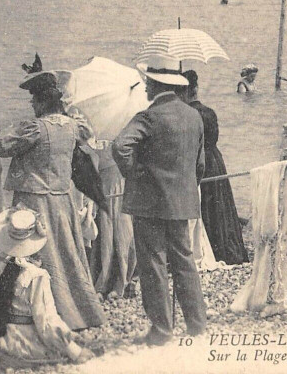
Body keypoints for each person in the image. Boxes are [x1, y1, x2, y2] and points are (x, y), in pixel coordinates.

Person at [0, 56, 105, 331]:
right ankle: (79, 311)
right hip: (62, 198)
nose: (31, 104)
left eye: (34, 99)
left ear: (44, 101)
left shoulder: (35, 127)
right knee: (67, 254)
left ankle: (32, 310)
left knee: (31, 251)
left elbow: (1, 146)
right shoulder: (72, 126)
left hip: (34, 199)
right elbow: (88, 131)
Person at [112, 53, 207, 346]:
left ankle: (162, 330)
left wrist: (136, 175)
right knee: (184, 262)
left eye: (147, 84)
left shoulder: (148, 116)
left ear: (154, 84)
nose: (144, 89)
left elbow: (120, 146)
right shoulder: (194, 116)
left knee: (153, 264)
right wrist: (185, 187)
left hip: (150, 203)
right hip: (183, 202)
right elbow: (199, 165)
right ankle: (197, 326)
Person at [0, 208, 95, 368]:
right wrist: (73, 351)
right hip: (24, 346)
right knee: (59, 347)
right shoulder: (36, 276)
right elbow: (46, 321)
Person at [182, 70, 248, 265]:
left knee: (205, 205)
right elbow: (214, 138)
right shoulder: (209, 112)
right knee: (219, 205)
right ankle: (223, 246)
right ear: (196, 89)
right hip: (215, 160)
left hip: (198, 160)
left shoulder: (188, 115)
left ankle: (206, 246)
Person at [87, 139, 138, 299]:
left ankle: (123, 280)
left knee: (122, 231)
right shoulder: (93, 124)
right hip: (102, 178)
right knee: (105, 231)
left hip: (119, 177)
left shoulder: (123, 126)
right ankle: (104, 282)